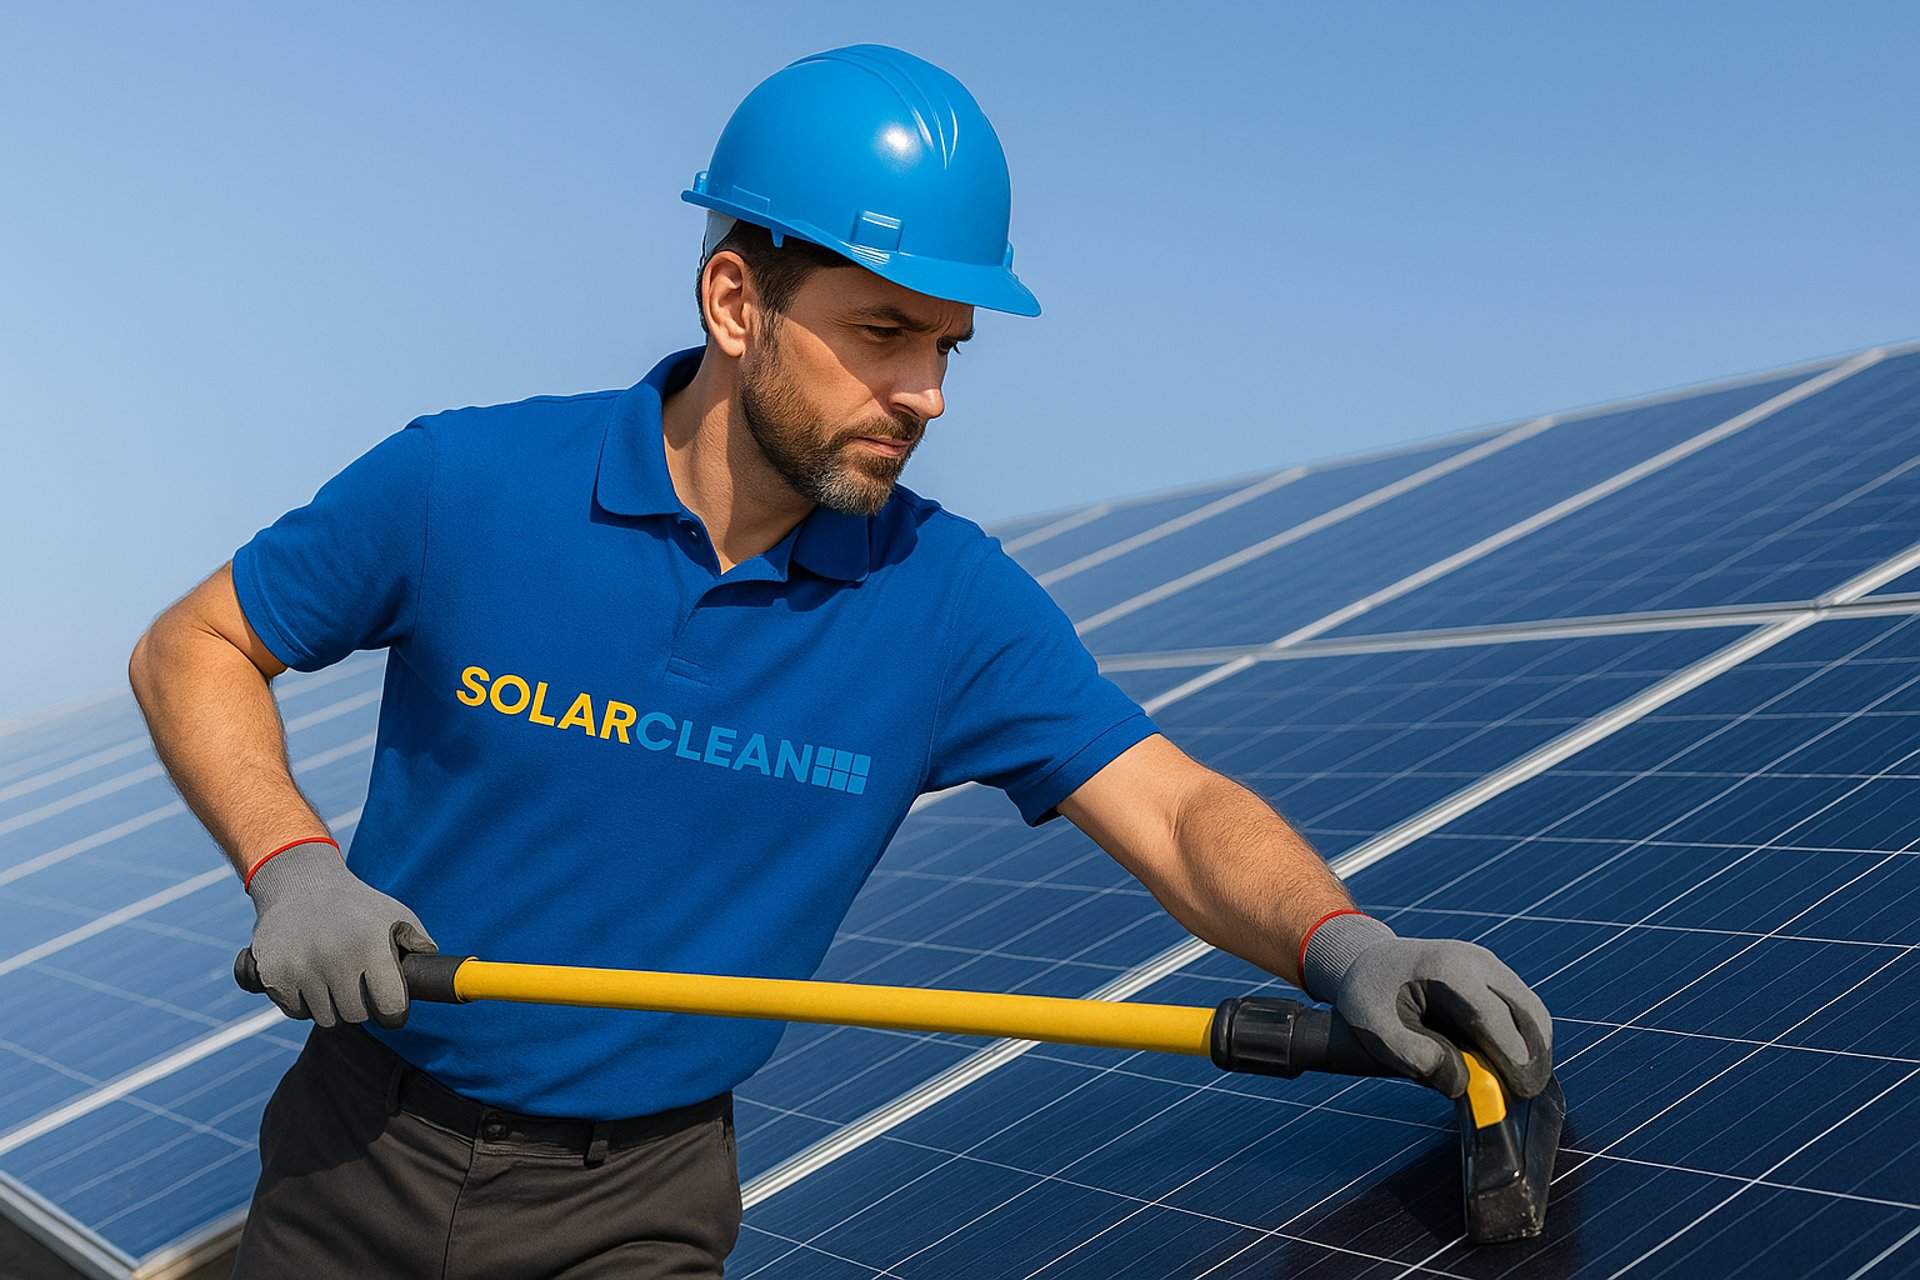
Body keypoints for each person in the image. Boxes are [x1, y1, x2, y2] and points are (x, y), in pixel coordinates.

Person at [128, 43, 1552, 1280]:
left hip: (640, 1199)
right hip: (354, 1143)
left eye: (947, 346)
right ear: (737, 302)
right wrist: (291, 863)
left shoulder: (947, 599)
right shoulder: (466, 484)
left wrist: (1341, 940)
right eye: (883, 333)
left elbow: (1174, 808)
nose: (925, 394)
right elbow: (193, 645)